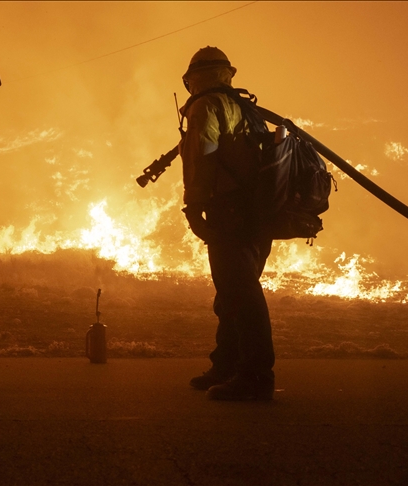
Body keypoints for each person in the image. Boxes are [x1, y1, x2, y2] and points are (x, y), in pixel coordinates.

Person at [179, 47, 275, 401]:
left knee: (240, 292)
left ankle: (254, 375)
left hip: (229, 210)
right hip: (256, 213)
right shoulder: (245, 107)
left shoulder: (206, 106)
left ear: (195, 79)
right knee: (232, 292)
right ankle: (228, 365)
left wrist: (194, 207)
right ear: (227, 74)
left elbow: (202, 155)